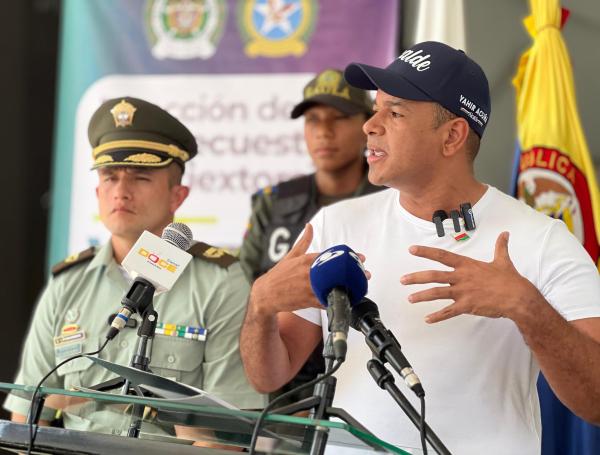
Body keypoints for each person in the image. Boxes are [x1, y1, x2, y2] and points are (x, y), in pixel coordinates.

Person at [239, 41, 600, 454]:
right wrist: (261, 305)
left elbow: (595, 403)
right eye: (375, 109)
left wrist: (526, 307)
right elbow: (268, 376)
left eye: (394, 112)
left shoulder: (543, 241)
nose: (369, 125)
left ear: (451, 136)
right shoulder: (333, 226)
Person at [4, 97, 265, 437]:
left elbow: (227, 437)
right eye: (110, 177)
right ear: (98, 191)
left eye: (140, 177)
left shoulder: (221, 282)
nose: (121, 192)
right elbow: (26, 418)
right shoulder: (67, 284)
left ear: (178, 196)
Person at [238, 68, 382, 403]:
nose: (324, 132)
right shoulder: (273, 202)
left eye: (339, 118)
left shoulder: (391, 203)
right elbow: (242, 293)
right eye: (313, 120)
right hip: (282, 392)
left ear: (367, 125)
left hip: (365, 386)